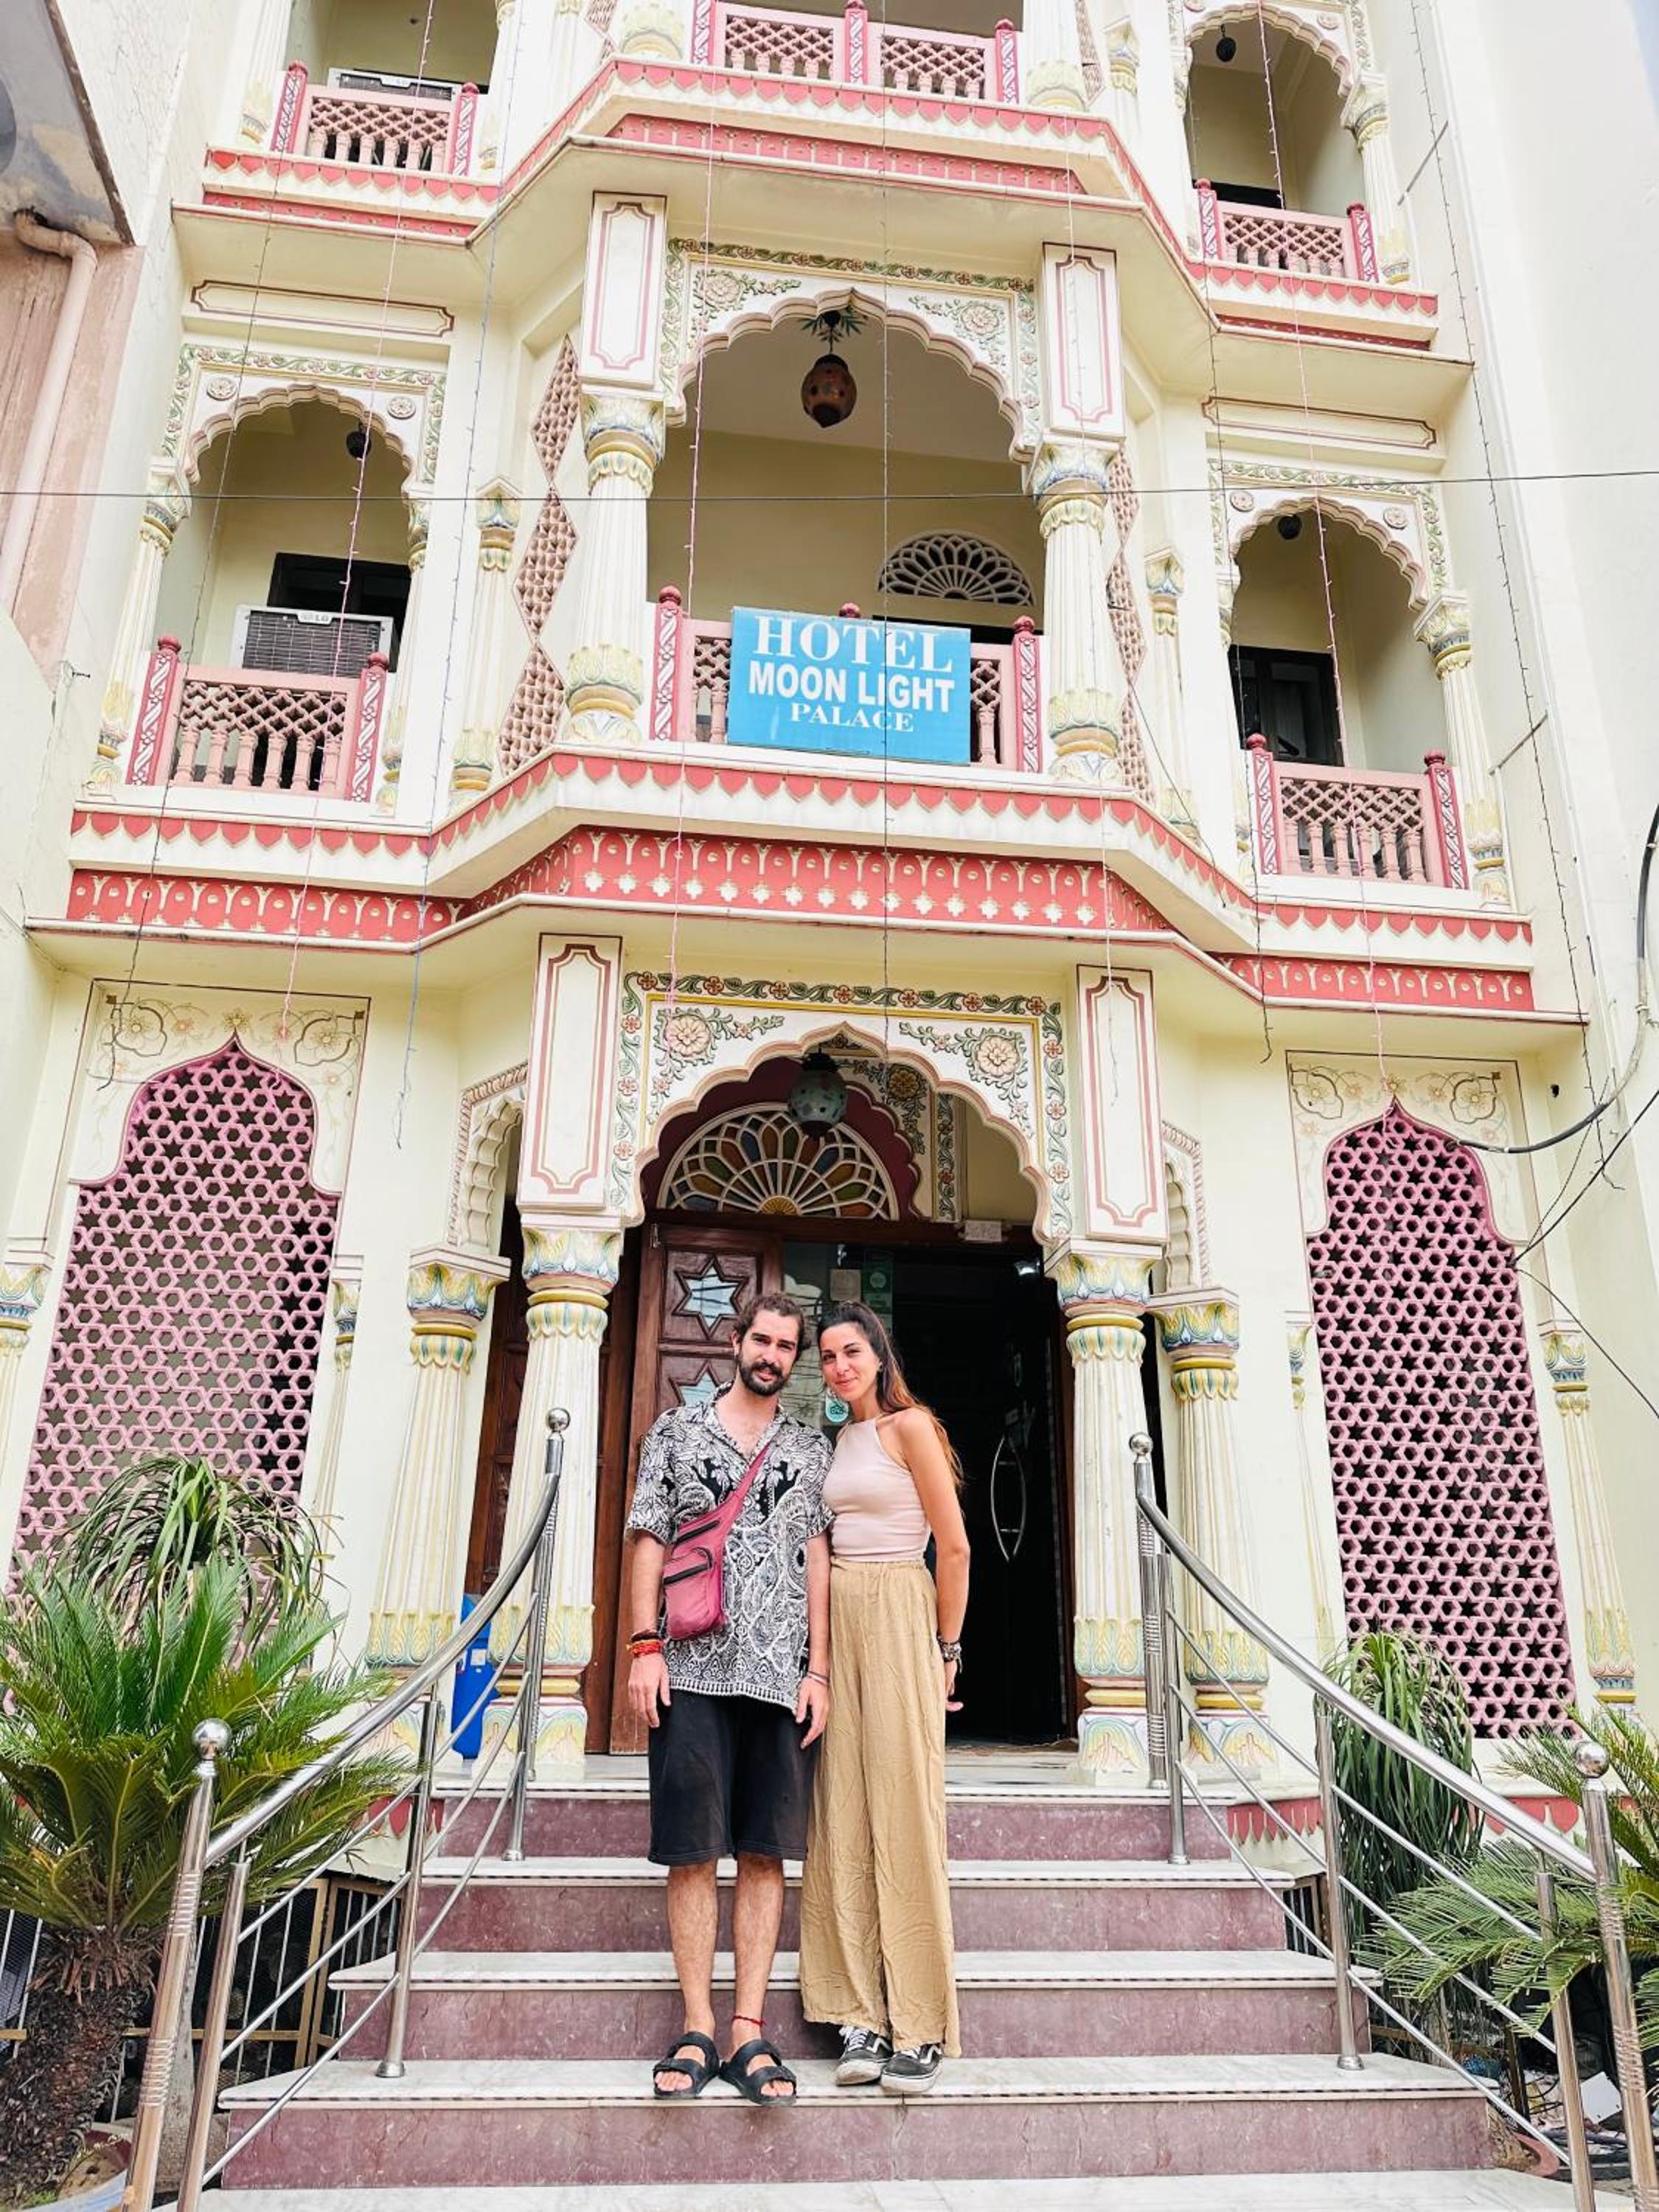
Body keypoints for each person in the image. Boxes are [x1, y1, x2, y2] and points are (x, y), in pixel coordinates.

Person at [625, 1290, 833, 2106]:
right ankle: (697, 2026)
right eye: (762, 1339)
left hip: (779, 1678)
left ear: (794, 1359)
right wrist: (644, 1646)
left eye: (786, 1346)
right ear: (736, 1340)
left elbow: (817, 1560)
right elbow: (650, 1537)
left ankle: (748, 2029)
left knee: (763, 1852)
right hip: (691, 1671)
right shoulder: (676, 1433)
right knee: (691, 1851)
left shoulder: (810, 1448)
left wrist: (819, 1670)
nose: (771, 1355)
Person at [799, 1299, 969, 2097]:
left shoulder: (912, 1428)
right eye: (829, 1355)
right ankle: (856, 2014)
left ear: (879, 1354)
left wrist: (947, 1648)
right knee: (842, 1812)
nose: (840, 1367)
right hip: (844, 1615)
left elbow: (955, 1545)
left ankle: (920, 2023)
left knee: (904, 1810)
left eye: (852, 1352)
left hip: (901, 1604)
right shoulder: (842, 1439)